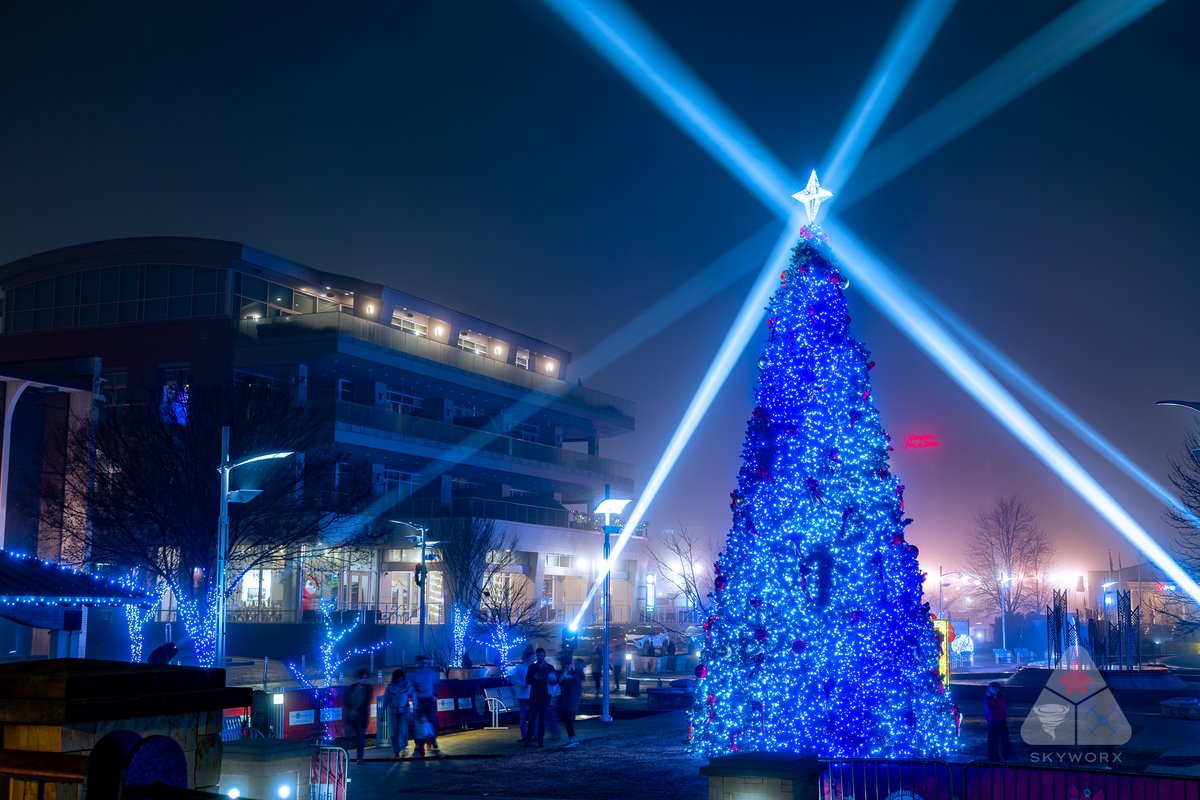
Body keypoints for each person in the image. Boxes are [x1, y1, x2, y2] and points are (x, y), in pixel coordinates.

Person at [525, 647, 559, 748]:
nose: (539, 657)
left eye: (541, 655)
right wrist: (536, 679)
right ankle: (529, 740)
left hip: (544, 696)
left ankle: (540, 740)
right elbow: (527, 680)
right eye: (538, 655)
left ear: (544, 656)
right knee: (532, 719)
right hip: (535, 697)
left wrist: (544, 679)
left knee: (541, 719)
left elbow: (554, 681)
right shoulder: (532, 667)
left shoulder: (549, 668)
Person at [409, 655, 441, 756]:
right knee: (418, 722)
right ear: (417, 662)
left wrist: (435, 694)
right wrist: (416, 690)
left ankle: (433, 741)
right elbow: (410, 687)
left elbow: (437, 684)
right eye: (420, 661)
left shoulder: (430, 672)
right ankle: (418, 744)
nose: (422, 663)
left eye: (423, 661)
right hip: (419, 700)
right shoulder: (413, 674)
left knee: (433, 721)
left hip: (429, 700)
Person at [381, 668, 416, 758]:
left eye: (401, 677)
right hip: (394, 711)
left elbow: (413, 695)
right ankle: (396, 750)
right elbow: (386, 700)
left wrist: (416, 707)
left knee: (404, 731)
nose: (399, 679)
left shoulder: (407, 684)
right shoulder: (390, 687)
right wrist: (382, 712)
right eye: (398, 678)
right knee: (394, 732)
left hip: (403, 711)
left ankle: (403, 746)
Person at [342, 669, 373, 764]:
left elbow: (367, 701)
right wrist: (352, 709)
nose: (364, 680)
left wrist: (357, 710)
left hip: (361, 718)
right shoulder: (352, 687)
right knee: (347, 737)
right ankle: (342, 756)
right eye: (363, 678)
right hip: (351, 717)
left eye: (366, 678)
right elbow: (347, 699)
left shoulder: (369, 688)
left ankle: (360, 758)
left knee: (360, 737)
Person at [558, 657, 586, 748]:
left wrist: (565, 675)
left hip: (571, 701)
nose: (576, 665)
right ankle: (572, 738)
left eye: (577, 663)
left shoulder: (576, 674)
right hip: (570, 701)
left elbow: (563, 682)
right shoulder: (577, 674)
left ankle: (572, 739)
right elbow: (563, 683)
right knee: (567, 720)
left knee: (567, 719)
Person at [984, 681, 1014, 761]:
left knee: (1004, 739)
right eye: (993, 687)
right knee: (992, 739)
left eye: (996, 687)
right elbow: (989, 709)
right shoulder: (988, 698)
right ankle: (993, 756)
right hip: (992, 721)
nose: (994, 689)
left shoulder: (1002, 697)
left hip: (1001, 720)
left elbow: (1002, 707)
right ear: (990, 689)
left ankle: (1006, 755)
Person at [511, 649, 534, 743]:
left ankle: (530, 735)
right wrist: (523, 685)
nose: (532, 659)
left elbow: (514, 679)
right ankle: (526, 735)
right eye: (531, 657)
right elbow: (514, 679)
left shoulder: (531, 667)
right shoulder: (521, 667)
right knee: (525, 716)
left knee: (529, 716)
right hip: (524, 695)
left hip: (529, 695)